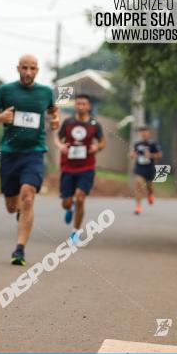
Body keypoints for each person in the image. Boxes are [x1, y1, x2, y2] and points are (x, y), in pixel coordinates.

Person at [0, 55, 60, 266]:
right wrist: (0, 118)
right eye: (24, 68)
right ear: (18, 68)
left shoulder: (45, 92)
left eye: (32, 68)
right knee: (11, 206)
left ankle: (19, 250)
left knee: (28, 196)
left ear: (37, 70)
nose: (28, 72)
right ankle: (17, 211)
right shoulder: (5, 91)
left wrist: (55, 120)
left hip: (34, 153)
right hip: (10, 153)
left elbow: (54, 111)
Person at [53, 94, 106, 245]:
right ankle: (70, 207)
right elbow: (58, 138)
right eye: (78, 104)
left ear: (89, 106)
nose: (81, 106)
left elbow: (102, 142)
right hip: (68, 167)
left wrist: (97, 147)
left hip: (87, 166)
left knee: (81, 196)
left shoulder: (95, 124)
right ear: (75, 105)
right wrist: (60, 146)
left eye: (84, 104)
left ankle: (75, 233)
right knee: (66, 203)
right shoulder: (68, 122)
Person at [131, 126, 162, 215]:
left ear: (149, 133)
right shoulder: (137, 144)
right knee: (138, 184)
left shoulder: (153, 144)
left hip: (149, 169)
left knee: (149, 187)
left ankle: (150, 194)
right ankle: (138, 206)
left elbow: (160, 155)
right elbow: (134, 153)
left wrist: (151, 155)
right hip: (139, 168)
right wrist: (132, 155)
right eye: (142, 132)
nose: (143, 134)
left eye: (145, 132)